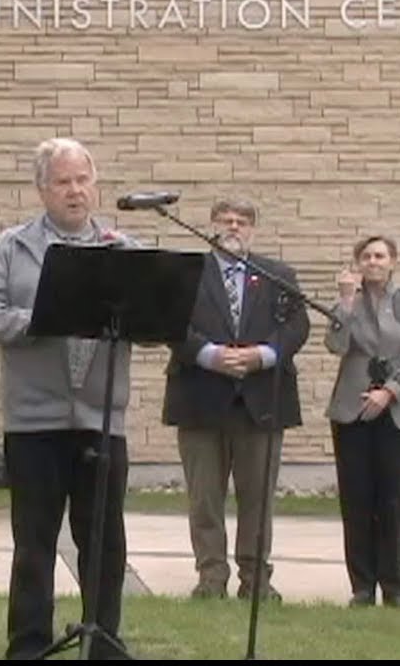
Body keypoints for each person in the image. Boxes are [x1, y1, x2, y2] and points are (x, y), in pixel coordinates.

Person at [0, 137, 139, 659]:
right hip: (35, 424)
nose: (75, 191)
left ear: (95, 184)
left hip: (102, 420)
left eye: (83, 180)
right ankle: (28, 646)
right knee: (35, 545)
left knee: (104, 545)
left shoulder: (121, 251)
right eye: (63, 182)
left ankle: (102, 641)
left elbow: (153, 316)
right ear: (42, 189)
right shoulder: (12, 248)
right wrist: (39, 322)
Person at [161, 198, 310, 601]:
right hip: (199, 398)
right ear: (210, 226)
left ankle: (256, 579)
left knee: (257, 499)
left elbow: (297, 325)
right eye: (225, 220)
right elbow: (171, 323)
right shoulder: (188, 273)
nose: (233, 227)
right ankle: (211, 577)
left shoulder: (276, 274)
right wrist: (210, 355)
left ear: (253, 230)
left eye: (242, 222)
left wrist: (264, 355)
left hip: (260, 401)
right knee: (205, 497)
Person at [324, 235, 400, 608]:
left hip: (396, 411)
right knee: (356, 499)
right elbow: (336, 345)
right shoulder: (348, 301)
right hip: (351, 409)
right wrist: (345, 302)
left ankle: (395, 587)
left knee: (391, 499)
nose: (373, 262)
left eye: (380, 256)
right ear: (357, 262)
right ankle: (362, 585)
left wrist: (389, 392)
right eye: (366, 256)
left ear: (393, 261)